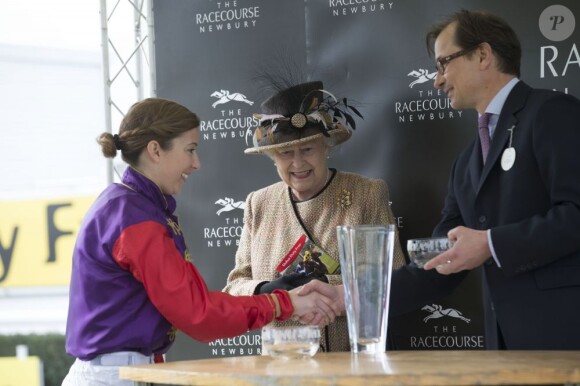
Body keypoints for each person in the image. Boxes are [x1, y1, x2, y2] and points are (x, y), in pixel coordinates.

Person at [301, 9, 580, 350]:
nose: (437, 80)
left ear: (483, 55)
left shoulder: (552, 112)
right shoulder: (466, 162)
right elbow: (436, 262)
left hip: (565, 339)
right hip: (506, 351)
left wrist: (491, 244)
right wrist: (348, 296)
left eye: (444, 63)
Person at [62, 98, 340, 386]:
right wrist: (285, 303)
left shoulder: (130, 206)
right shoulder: (134, 215)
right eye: (190, 150)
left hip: (124, 371)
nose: (196, 163)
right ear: (155, 150)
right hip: (117, 376)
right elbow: (199, 314)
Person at [223, 80, 406, 352]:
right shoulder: (258, 203)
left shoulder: (366, 193)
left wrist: (321, 288)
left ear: (326, 147)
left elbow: (393, 280)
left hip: (353, 367)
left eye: (307, 149)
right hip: (281, 367)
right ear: (273, 157)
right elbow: (234, 288)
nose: (297, 163)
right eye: (285, 153)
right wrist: (268, 290)